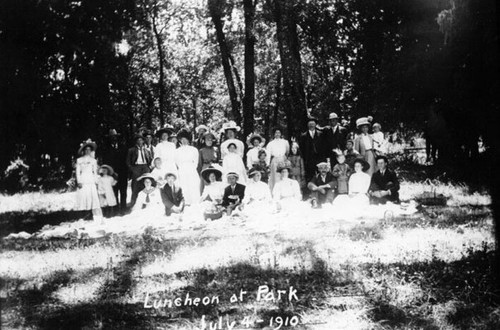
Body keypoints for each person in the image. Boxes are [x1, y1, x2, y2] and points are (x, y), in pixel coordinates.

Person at [101, 129, 128, 213]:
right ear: (109, 138)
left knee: (123, 191)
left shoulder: (123, 147)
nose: (113, 138)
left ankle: (123, 209)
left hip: (123, 173)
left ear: (117, 137)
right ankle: (116, 210)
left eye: (115, 137)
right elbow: (105, 163)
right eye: (111, 137)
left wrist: (126, 172)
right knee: (114, 192)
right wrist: (110, 173)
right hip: (112, 174)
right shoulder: (106, 149)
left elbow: (126, 161)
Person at [76, 140, 103, 221]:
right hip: (83, 179)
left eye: (89, 150)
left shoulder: (93, 161)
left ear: (91, 151)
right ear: (84, 151)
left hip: (90, 179)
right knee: (84, 196)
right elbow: (78, 172)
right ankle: (84, 213)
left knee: (92, 196)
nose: (88, 151)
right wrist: (79, 181)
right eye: (86, 149)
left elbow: (95, 172)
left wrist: (96, 182)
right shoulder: (79, 160)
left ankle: (91, 214)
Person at [175, 129, 200, 206]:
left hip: (191, 169)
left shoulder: (194, 150)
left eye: (185, 139)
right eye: (182, 139)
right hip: (182, 169)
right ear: (180, 140)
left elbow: (196, 162)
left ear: (188, 140)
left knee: (193, 185)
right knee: (184, 186)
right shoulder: (177, 151)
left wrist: (191, 168)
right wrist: (182, 168)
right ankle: (186, 203)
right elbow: (177, 162)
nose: (184, 141)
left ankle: (195, 203)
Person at [126, 134, 153, 207]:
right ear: (136, 142)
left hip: (145, 167)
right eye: (138, 140)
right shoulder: (131, 150)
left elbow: (150, 159)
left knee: (146, 184)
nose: (140, 141)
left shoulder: (147, 150)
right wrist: (133, 169)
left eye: (141, 140)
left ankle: (145, 202)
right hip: (136, 167)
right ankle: (133, 202)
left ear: (143, 141)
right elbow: (128, 162)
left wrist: (149, 167)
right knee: (135, 185)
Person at [299, 116, 327, 184]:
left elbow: (324, 147)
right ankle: (311, 191)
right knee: (310, 176)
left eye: (313, 124)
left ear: (315, 125)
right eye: (310, 124)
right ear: (307, 125)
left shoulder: (321, 134)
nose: (311, 125)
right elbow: (302, 149)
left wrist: (324, 159)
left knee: (321, 175)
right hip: (309, 160)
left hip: (319, 159)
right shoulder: (303, 136)